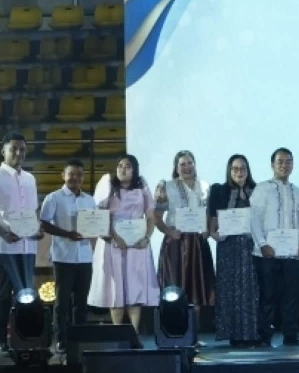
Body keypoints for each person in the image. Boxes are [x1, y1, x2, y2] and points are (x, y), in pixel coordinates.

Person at [0, 133, 41, 354]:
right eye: (13, 148)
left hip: (27, 246)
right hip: (5, 247)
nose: (18, 153)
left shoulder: (30, 179)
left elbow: (32, 212)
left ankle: (25, 338)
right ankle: (0, 342)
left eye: (22, 149)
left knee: (27, 294)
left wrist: (36, 229)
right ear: (3, 151)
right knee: (4, 294)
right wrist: (3, 233)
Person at [88, 155, 159, 332]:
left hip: (137, 244)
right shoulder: (107, 184)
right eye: (120, 166)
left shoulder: (142, 186)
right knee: (115, 290)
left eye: (127, 166)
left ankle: (134, 334)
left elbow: (150, 217)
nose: (123, 169)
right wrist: (114, 236)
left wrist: (147, 237)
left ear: (134, 169)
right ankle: (117, 333)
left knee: (135, 288)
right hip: (113, 244)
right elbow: (100, 215)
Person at [154, 151, 214, 345]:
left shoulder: (205, 187)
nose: (187, 167)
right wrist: (168, 231)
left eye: (190, 163)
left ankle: (193, 335)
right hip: (176, 244)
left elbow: (209, 214)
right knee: (175, 289)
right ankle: (172, 334)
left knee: (197, 289)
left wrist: (207, 229)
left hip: (197, 243)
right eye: (182, 164)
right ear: (176, 167)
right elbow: (156, 217)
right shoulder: (166, 187)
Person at [250, 148, 299, 347]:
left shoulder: (298, 191)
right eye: (280, 162)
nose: (285, 165)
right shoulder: (262, 188)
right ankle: (264, 335)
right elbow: (254, 219)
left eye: (288, 161)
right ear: (272, 165)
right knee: (268, 296)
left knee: (291, 296)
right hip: (267, 252)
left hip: (291, 253)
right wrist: (262, 244)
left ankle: (290, 335)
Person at [39, 159, 95, 355]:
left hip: (86, 256)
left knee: (82, 302)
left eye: (79, 174)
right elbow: (44, 224)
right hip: (63, 257)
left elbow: (95, 224)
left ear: (83, 176)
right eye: (71, 174)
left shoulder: (90, 199)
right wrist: (66, 233)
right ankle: (61, 340)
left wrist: (98, 232)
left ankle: (80, 340)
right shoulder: (53, 198)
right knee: (62, 302)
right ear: (63, 175)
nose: (75, 178)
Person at [209, 154, 261, 346]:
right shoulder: (219, 191)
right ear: (229, 171)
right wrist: (214, 234)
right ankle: (233, 335)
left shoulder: (256, 191)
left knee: (250, 290)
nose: (239, 172)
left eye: (243, 169)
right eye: (235, 169)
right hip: (227, 248)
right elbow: (213, 222)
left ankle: (252, 333)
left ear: (248, 171)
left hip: (251, 248)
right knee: (229, 290)